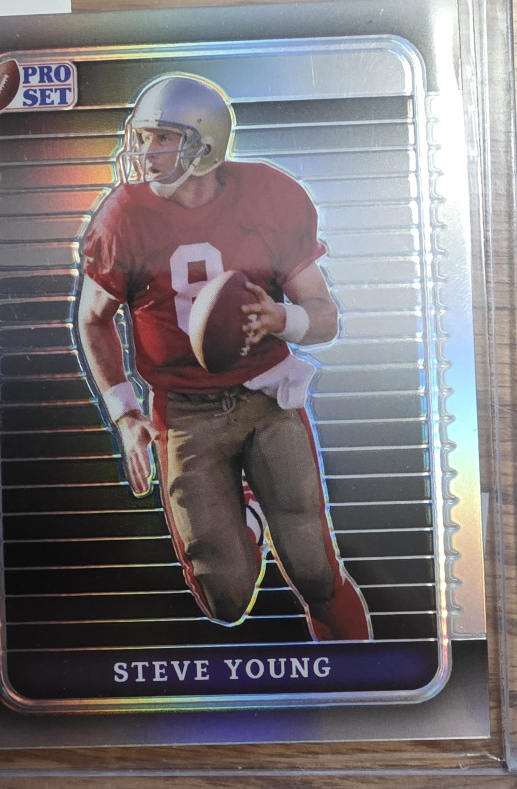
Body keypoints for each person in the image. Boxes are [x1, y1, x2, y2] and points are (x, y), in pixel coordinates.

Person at [77, 73, 371, 641]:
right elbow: (93, 318)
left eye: (162, 138)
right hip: (185, 412)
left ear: (204, 144)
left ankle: (364, 671)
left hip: (267, 396)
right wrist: (125, 414)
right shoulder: (123, 216)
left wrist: (282, 318)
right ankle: (249, 520)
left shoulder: (268, 195)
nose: (145, 152)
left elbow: (325, 317)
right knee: (226, 599)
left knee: (315, 572)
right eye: (142, 137)